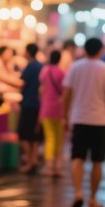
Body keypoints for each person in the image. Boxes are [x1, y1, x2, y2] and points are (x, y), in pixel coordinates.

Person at [62, 37, 105, 207]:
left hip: (79, 119)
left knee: (77, 157)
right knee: (97, 161)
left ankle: (78, 192)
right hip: (99, 120)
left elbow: (67, 94)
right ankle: (93, 199)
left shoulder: (75, 66)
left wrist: (65, 116)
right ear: (100, 50)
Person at [39, 49, 66, 176]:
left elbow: (41, 88)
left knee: (49, 137)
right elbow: (65, 92)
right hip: (59, 108)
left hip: (46, 107)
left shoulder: (44, 71)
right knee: (59, 138)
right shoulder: (61, 72)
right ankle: (58, 166)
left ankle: (49, 166)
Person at [18, 43, 43, 173]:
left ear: (28, 52)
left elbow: (22, 82)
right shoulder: (40, 66)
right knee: (34, 135)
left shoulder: (31, 66)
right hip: (38, 104)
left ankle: (30, 160)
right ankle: (33, 160)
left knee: (23, 134)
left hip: (28, 103)